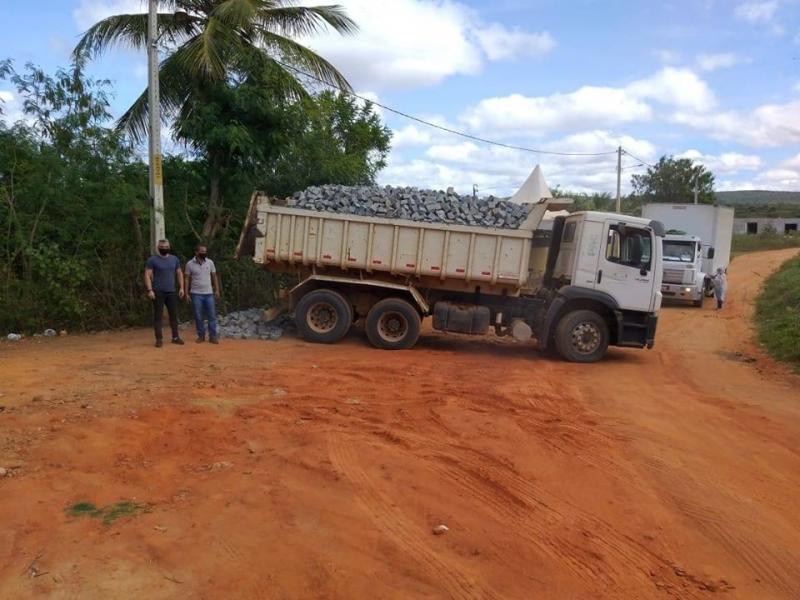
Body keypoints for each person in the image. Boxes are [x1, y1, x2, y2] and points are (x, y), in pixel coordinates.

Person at [144, 239, 185, 347]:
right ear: (158, 248)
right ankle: (159, 339)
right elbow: (147, 275)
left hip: (171, 291)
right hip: (158, 291)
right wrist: (150, 290)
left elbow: (179, 273)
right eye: (162, 247)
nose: (164, 249)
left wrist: (182, 288)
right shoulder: (152, 260)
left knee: (174, 315)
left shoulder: (174, 259)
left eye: (166, 247)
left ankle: (175, 337)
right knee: (158, 316)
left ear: (169, 247)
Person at [185, 244, 221, 344]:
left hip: (209, 293)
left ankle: (213, 336)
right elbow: (187, 278)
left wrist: (217, 290)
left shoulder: (210, 262)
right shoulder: (190, 264)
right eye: (201, 251)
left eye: (205, 251)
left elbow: (214, 276)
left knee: (211, 315)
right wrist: (186, 292)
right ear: (196, 252)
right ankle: (201, 335)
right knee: (198, 315)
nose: (204, 253)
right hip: (196, 293)